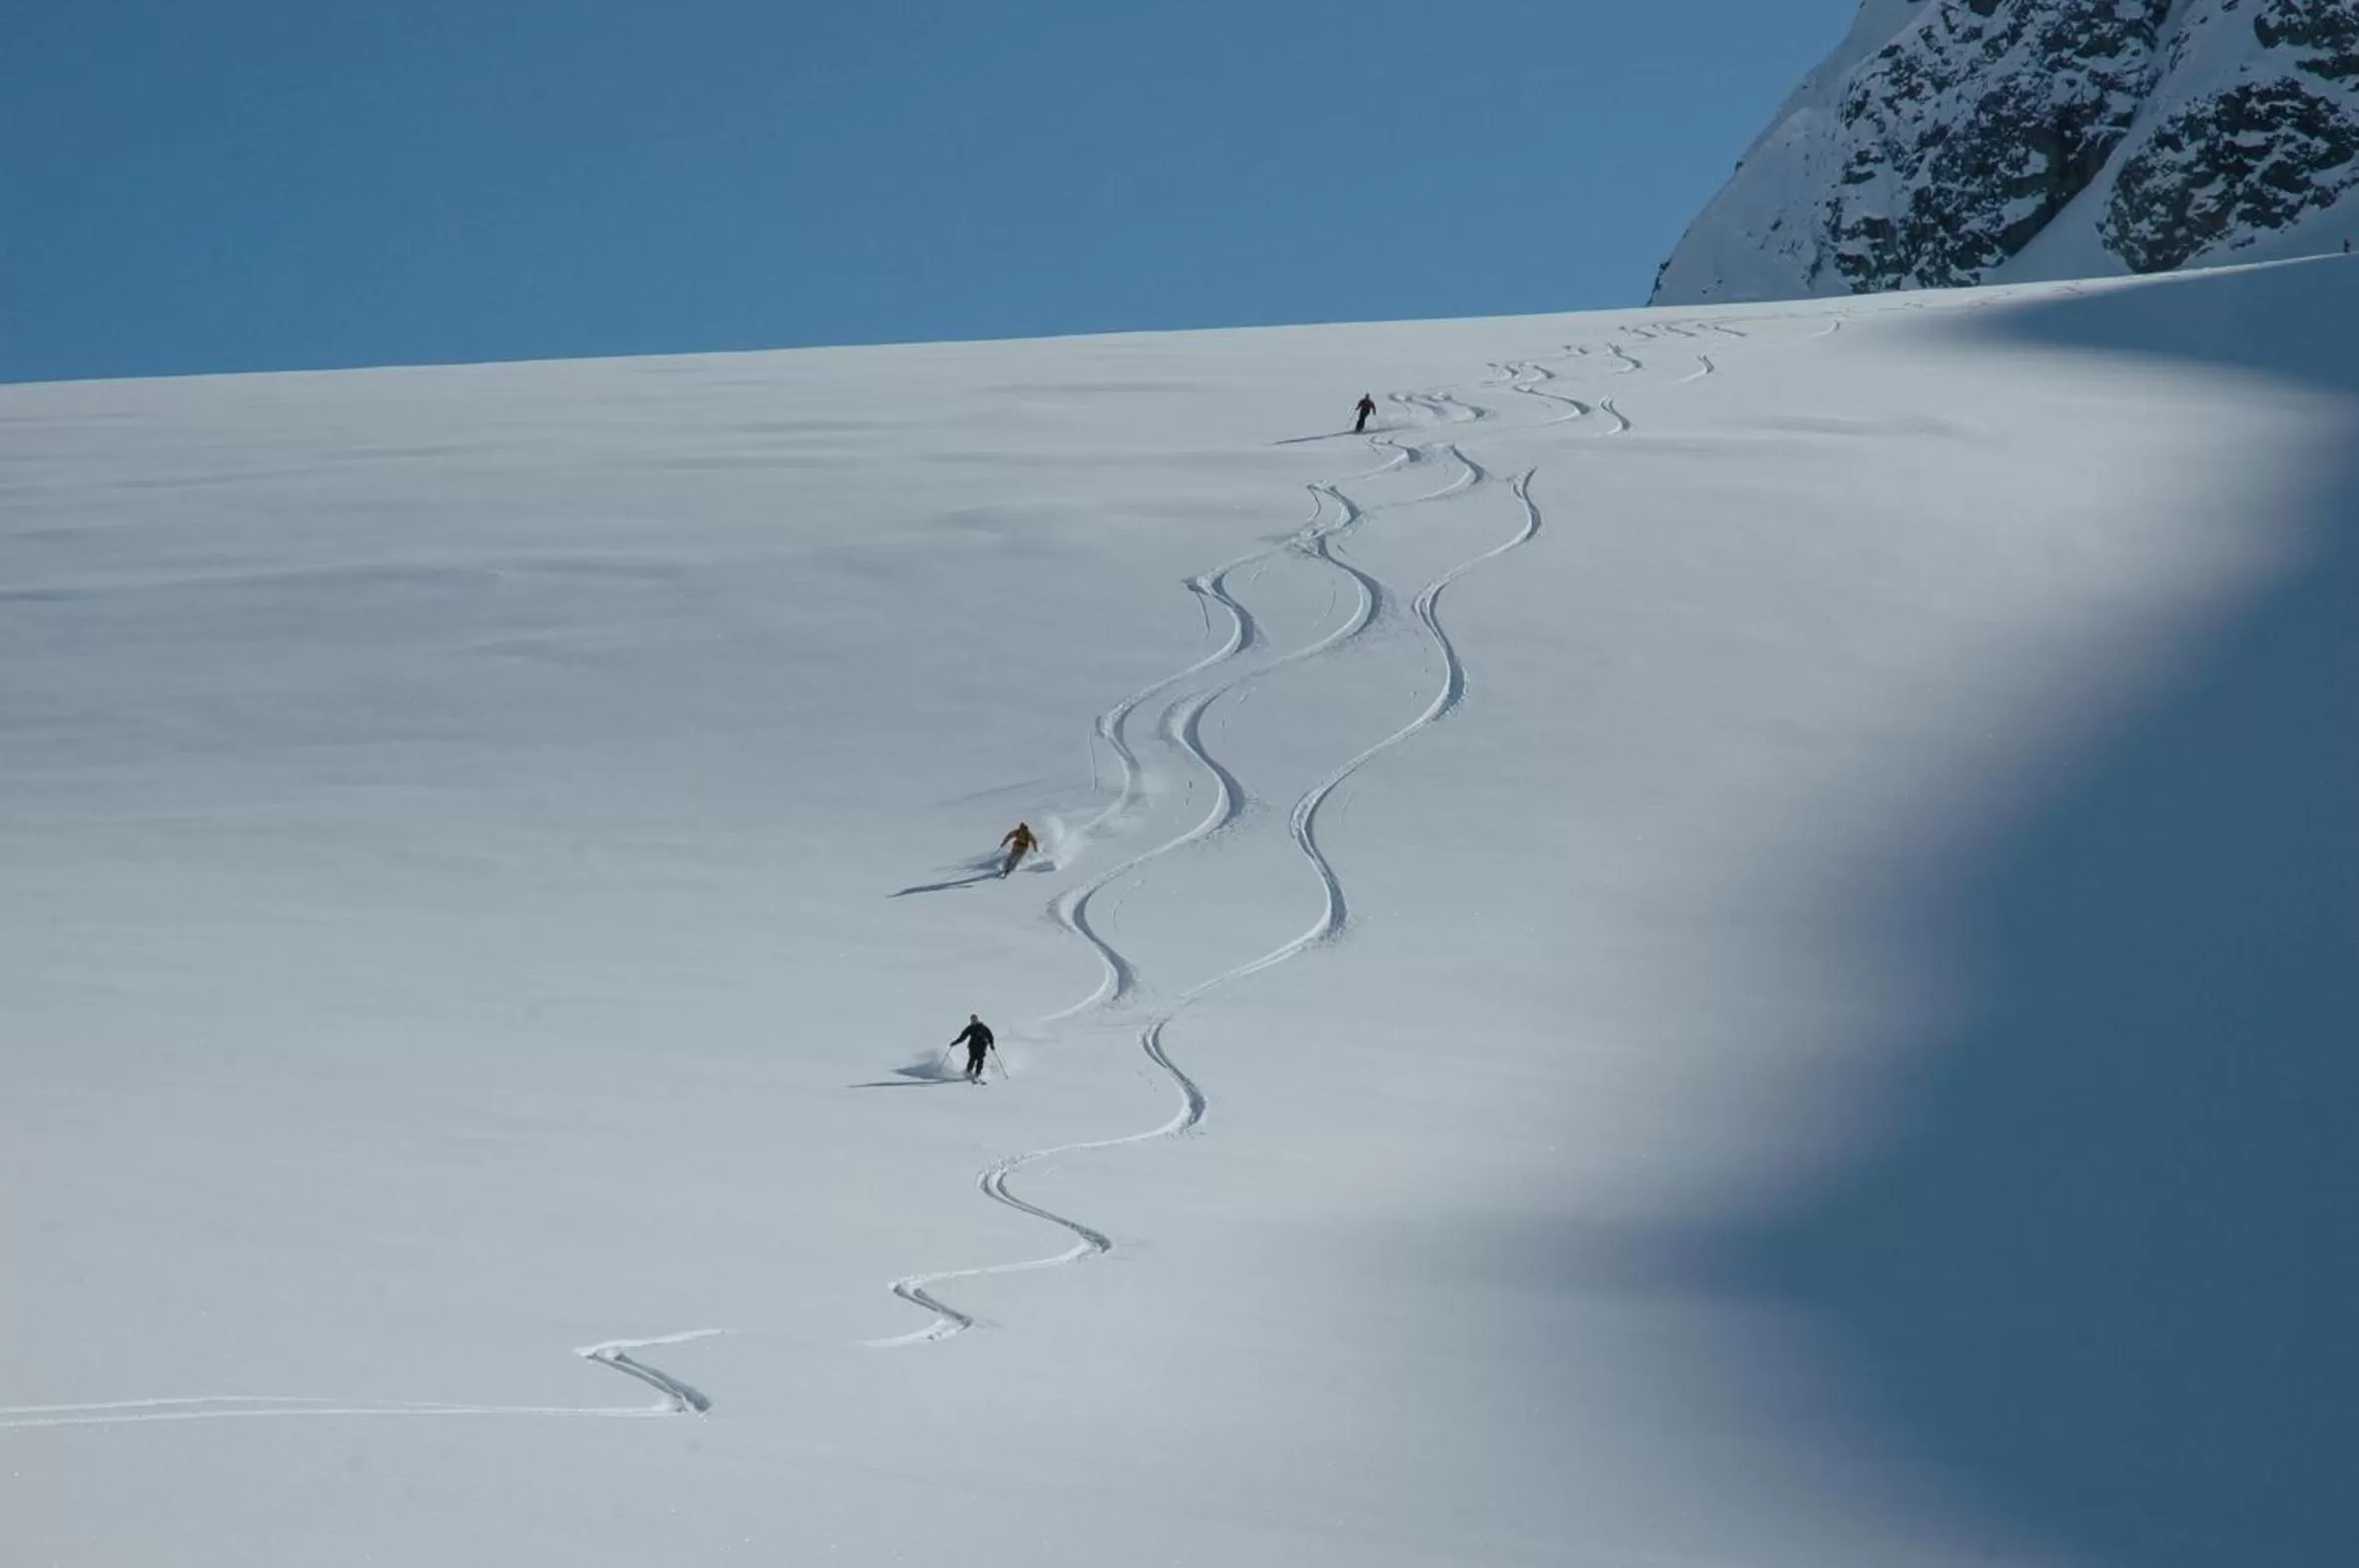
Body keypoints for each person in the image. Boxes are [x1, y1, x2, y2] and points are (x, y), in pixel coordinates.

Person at [949, 1014, 997, 1083]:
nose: (974, 1021)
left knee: (980, 1059)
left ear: (977, 1020)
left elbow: (990, 1036)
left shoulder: (982, 1027)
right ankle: (968, 1071)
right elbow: (962, 1037)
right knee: (972, 1059)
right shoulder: (969, 1028)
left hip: (982, 1046)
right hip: (972, 1047)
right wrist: (955, 1042)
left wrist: (991, 1044)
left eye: (975, 1020)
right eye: (972, 1020)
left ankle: (977, 1073)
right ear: (971, 1021)